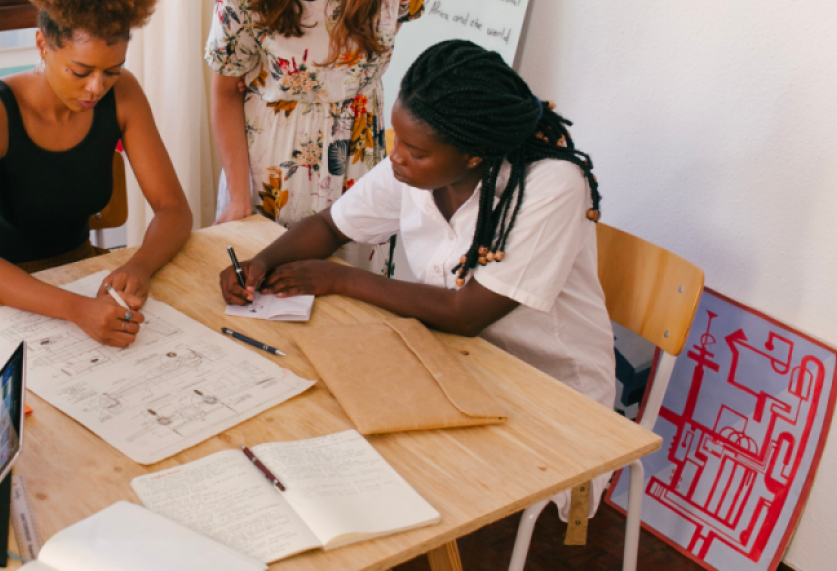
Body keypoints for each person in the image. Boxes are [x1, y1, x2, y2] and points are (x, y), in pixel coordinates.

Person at [220, 40, 616, 518]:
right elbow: (330, 226)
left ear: (472, 156)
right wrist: (259, 263)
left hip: (546, 389)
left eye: (415, 151)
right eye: (397, 141)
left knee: (385, 472)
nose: (398, 158)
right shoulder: (414, 170)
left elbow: (465, 312)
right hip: (456, 361)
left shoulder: (549, 187)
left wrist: (340, 280)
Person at [0, 0, 193, 348]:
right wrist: (78, 310)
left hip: (79, 275)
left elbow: (174, 209)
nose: (96, 88)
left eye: (111, 72)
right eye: (80, 72)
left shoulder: (124, 94)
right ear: (43, 45)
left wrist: (140, 265)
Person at [207, 0, 425, 272]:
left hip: (360, 154)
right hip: (274, 161)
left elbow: (388, 34)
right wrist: (237, 195)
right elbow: (223, 92)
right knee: (265, 290)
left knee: (354, 299)